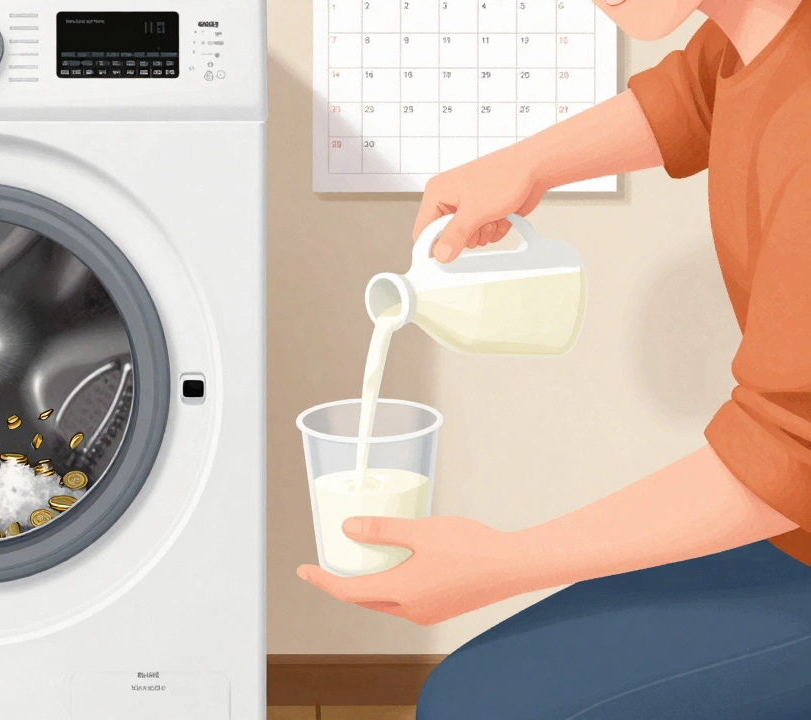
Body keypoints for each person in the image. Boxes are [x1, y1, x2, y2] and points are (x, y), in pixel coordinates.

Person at [297, 0, 811, 716]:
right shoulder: (761, 34)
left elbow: (786, 454)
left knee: (474, 705)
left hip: (793, 523)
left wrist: (501, 563)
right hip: (793, 530)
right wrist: (526, 164)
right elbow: (695, 98)